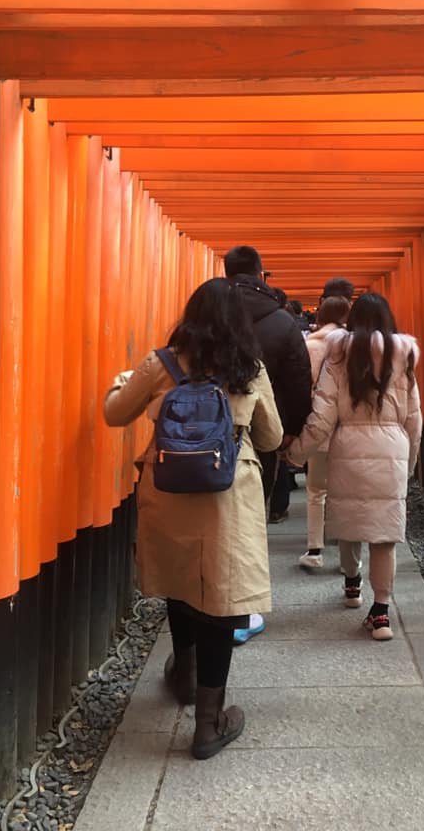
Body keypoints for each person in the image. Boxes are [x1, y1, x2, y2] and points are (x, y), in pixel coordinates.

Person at [103, 278, 282, 759]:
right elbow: (272, 438)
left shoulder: (162, 363)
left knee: (182, 580)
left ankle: (183, 675)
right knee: (221, 602)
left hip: (168, 489)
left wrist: (126, 380)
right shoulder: (249, 369)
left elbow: (114, 414)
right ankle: (209, 723)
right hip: (228, 495)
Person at [285, 292, 422, 641]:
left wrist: (296, 454)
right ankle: (380, 613)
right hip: (392, 445)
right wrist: (409, 463)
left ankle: (351, 583)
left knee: (348, 521)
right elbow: (414, 418)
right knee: (384, 534)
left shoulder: (339, 356)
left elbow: (322, 416)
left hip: (348, 445)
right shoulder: (403, 357)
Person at [224, 245, 312, 638]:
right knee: (250, 515)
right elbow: (297, 377)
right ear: (261, 275)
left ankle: (209, 602)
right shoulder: (281, 321)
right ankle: (241, 607)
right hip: (261, 430)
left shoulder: (212, 312)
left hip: (206, 428)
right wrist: (292, 427)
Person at [297, 295, 351, 570]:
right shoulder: (356, 344)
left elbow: (301, 386)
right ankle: (347, 557)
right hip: (349, 425)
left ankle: (314, 550)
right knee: (346, 491)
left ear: (320, 315)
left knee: (316, 489)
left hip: (317, 423)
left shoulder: (310, 345)